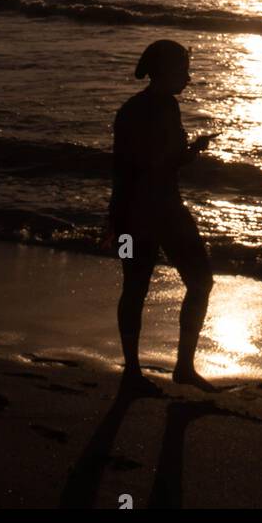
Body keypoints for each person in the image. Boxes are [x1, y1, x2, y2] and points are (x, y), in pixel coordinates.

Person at [104, 39, 214, 394]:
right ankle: (167, 368)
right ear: (165, 71)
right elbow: (142, 165)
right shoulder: (153, 110)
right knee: (194, 282)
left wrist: (187, 153)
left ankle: (143, 370)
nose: (188, 77)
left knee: (141, 287)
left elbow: (137, 164)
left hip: (145, 207)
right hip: (153, 209)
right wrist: (186, 155)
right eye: (183, 69)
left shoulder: (149, 107)